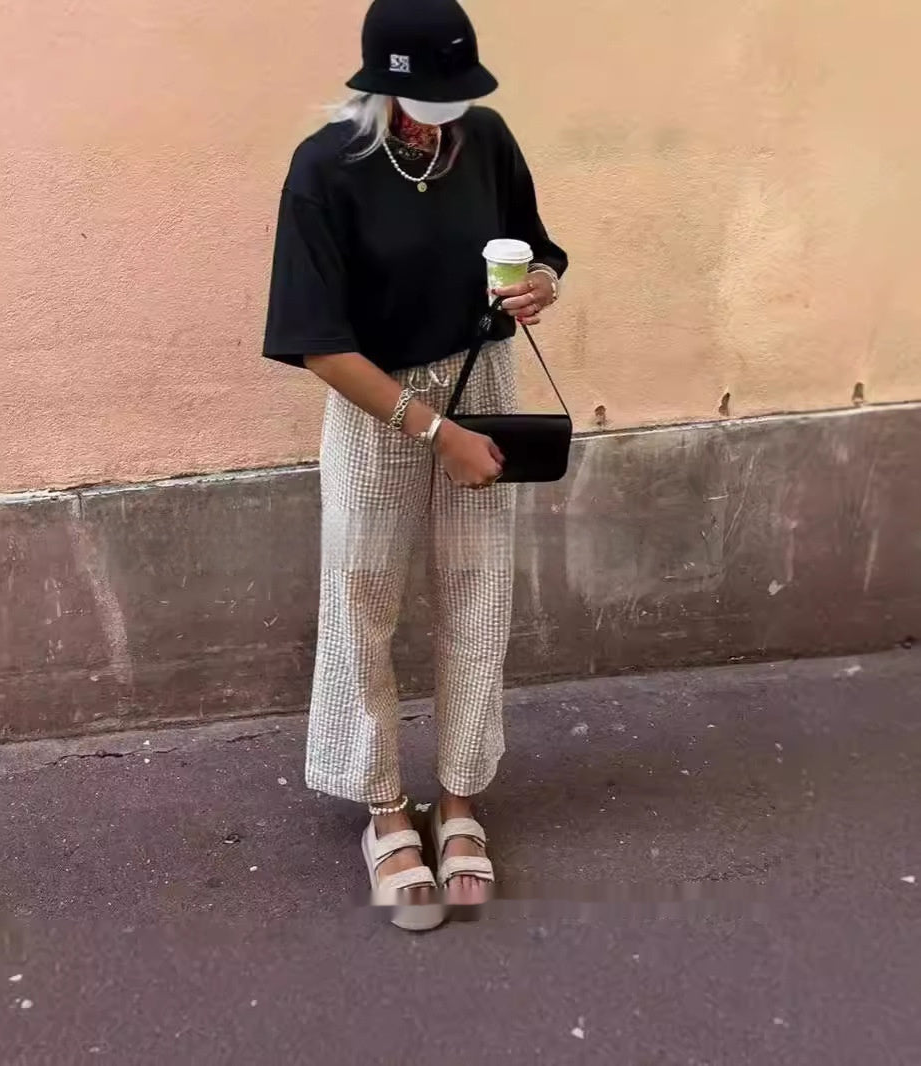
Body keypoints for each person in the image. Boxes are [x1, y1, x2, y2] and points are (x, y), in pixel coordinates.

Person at [262, 0, 567, 930]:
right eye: (426, 98)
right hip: (379, 403)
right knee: (363, 596)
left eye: (454, 95)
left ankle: (461, 797)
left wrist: (540, 284)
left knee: (478, 589)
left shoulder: (487, 138)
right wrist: (438, 433)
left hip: (481, 379)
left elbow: (537, 244)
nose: (443, 115)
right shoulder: (326, 168)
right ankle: (386, 809)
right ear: (381, 87)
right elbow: (319, 344)